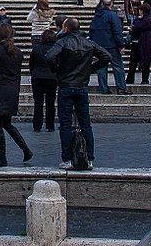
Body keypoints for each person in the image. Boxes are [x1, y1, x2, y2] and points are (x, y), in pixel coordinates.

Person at [44, 17, 111, 170]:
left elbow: (49, 56)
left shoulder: (63, 42)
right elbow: (107, 56)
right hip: (81, 85)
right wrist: (90, 69)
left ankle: (67, 158)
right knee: (85, 123)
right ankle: (90, 158)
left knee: (66, 124)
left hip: (66, 85)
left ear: (66, 28)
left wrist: (57, 69)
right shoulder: (88, 43)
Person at [0, 24, 32, 167]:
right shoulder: (17, 52)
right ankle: (26, 149)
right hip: (12, 90)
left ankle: (2, 157)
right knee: (7, 124)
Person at [88, 0, 128, 95]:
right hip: (111, 45)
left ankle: (104, 88)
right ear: (111, 5)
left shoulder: (96, 16)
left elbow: (91, 31)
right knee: (118, 66)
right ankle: (121, 88)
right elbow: (117, 31)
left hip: (99, 45)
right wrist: (121, 44)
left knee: (101, 68)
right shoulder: (112, 15)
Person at [29, 29, 58, 132]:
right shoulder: (56, 48)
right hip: (52, 77)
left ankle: (37, 125)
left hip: (37, 76)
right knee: (50, 103)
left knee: (38, 103)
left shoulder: (36, 48)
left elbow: (31, 63)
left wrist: (33, 73)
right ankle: (50, 125)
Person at [127, 3, 151, 86]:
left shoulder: (148, 20)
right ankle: (130, 78)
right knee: (133, 62)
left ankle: (145, 79)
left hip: (145, 43)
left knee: (145, 62)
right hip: (136, 42)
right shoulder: (139, 19)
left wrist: (135, 26)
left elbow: (138, 27)